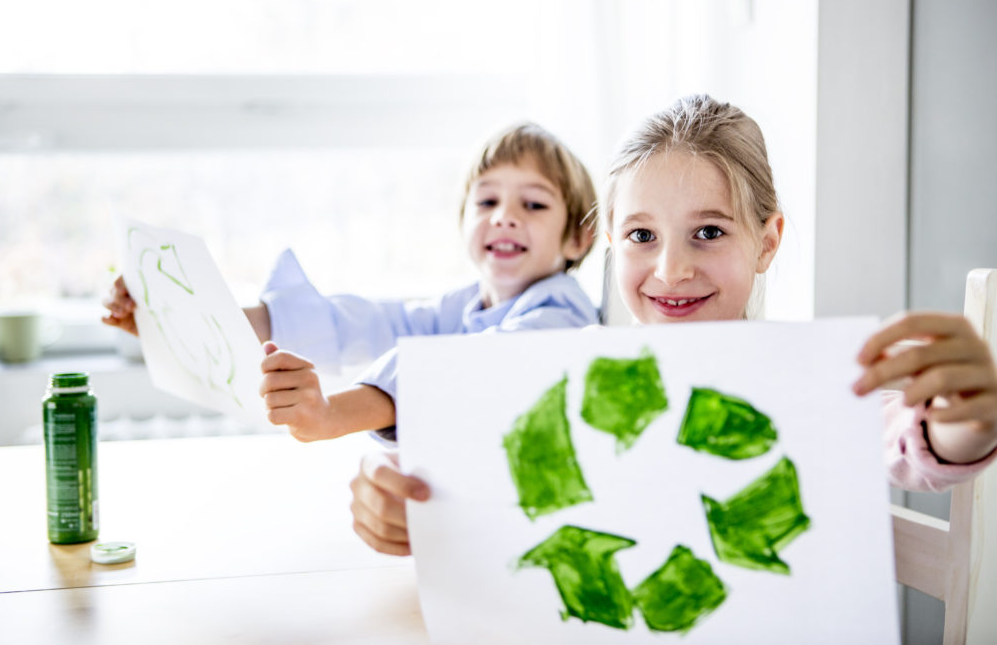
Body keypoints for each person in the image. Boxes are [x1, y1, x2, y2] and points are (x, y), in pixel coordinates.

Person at [349, 94, 997, 556]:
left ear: (767, 240)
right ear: (608, 240)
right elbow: (473, 479)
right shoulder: (561, 369)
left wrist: (965, 415)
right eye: (642, 235)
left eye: (708, 231)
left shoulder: (804, 380)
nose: (672, 268)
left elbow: (911, 443)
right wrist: (405, 510)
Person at [103, 121, 601, 442]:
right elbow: (365, 324)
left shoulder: (565, 314)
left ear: (578, 238)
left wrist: (331, 414)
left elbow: (472, 367)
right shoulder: (468, 305)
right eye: (487, 202)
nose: (505, 217)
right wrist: (173, 322)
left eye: (533, 204)